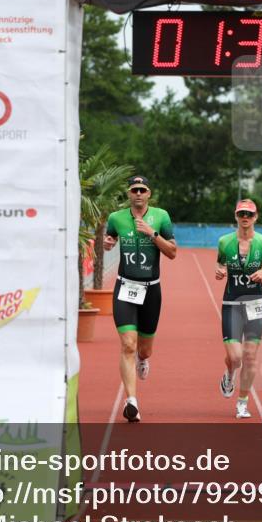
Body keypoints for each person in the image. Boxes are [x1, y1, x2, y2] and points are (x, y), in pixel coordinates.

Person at [103, 175, 177, 423]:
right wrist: (108, 243)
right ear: (128, 193)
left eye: (142, 189)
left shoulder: (161, 216)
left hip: (151, 290)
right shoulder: (116, 218)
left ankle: (143, 360)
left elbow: (173, 252)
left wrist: (152, 233)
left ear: (148, 194)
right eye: (134, 189)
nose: (137, 193)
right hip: (125, 287)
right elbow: (110, 240)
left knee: (144, 350)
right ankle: (132, 401)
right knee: (128, 345)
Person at [214, 199, 262, 419]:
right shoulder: (224, 241)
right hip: (232, 304)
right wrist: (220, 271)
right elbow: (220, 263)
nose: (245, 217)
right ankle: (229, 374)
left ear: (255, 217)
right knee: (235, 357)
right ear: (236, 216)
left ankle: (242, 402)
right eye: (241, 214)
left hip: (256, 304)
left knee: (250, 356)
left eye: (249, 214)